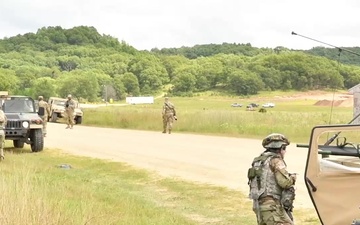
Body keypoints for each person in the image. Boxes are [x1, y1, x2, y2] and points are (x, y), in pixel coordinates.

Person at [247, 133, 296, 225]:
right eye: (284, 148)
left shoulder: (258, 161)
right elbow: (285, 183)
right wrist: (292, 178)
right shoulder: (276, 160)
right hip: (272, 207)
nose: (285, 152)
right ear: (281, 148)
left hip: (259, 206)